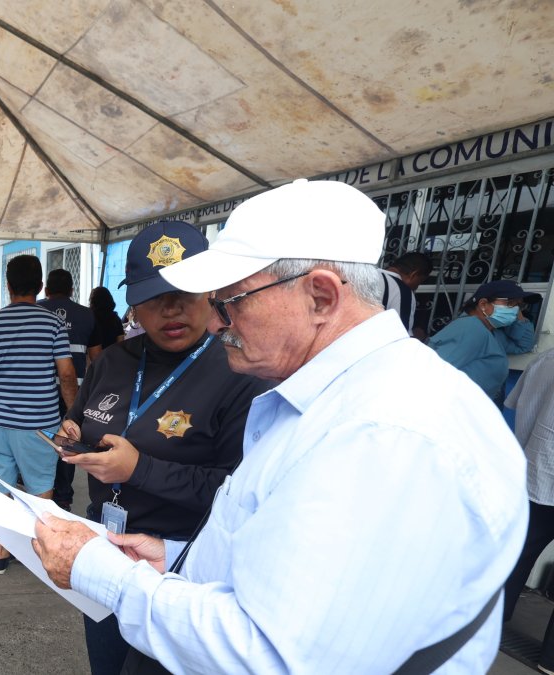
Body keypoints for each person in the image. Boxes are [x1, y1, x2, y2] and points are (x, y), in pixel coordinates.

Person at [32, 178, 527, 673]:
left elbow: (273, 655)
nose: (216, 323)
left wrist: (101, 572)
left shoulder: (384, 435)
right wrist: (178, 558)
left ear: (321, 296)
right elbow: (279, 563)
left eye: (231, 301)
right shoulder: (336, 401)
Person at [60, 222, 268, 674]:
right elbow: (81, 417)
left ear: (211, 292)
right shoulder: (112, 361)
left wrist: (139, 469)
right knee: (106, 662)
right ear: (134, 304)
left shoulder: (239, 372)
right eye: (155, 297)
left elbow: (239, 493)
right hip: (105, 541)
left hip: (181, 559)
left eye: (185, 292)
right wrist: (73, 436)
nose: (171, 310)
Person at [0, 254, 77, 573]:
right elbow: (66, 375)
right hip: (39, 425)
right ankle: (39, 552)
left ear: (7, 286)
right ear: (40, 286)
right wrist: (73, 416)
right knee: (40, 489)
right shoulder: (53, 324)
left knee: (0, 487)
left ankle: (0, 555)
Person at [503, 346, 554, 673]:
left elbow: (523, 412)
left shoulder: (548, 360)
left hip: (540, 475)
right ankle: (550, 659)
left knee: (516, 553)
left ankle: (487, 622)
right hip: (540, 474)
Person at [38, 268, 101, 510]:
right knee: (67, 440)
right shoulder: (87, 315)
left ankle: (40, 490)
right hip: (75, 390)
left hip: (40, 391)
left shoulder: (37, 311)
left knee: (40, 439)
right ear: (72, 290)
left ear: (46, 289)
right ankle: (63, 497)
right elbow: (97, 359)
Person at [428, 279, 537, 403]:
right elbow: (434, 374)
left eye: (520, 306)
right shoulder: (470, 328)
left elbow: (524, 345)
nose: (516, 310)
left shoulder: (493, 332)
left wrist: (519, 316)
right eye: (510, 303)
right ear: (483, 304)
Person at [379, 251, 433, 337]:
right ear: (414, 274)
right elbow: (400, 337)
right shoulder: (403, 291)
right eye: (419, 282)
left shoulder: (366, 276)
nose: (416, 287)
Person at [89, 286, 126, 351]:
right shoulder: (116, 319)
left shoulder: (90, 318)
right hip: (111, 355)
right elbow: (121, 343)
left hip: (94, 356)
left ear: (93, 301)